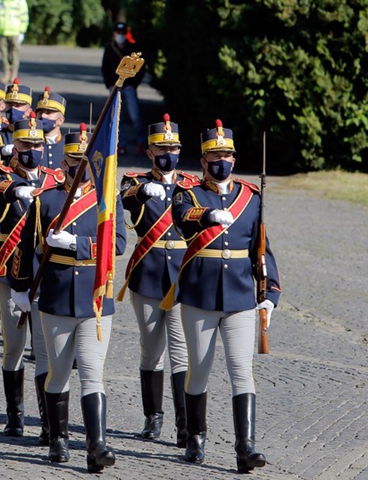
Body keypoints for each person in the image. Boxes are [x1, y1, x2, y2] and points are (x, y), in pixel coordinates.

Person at [164, 119, 281, 473]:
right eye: (215, 155)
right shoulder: (188, 195)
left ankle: (246, 447)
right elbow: (183, 218)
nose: (222, 161)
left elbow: (261, 250)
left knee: (241, 371)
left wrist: (269, 293)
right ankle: (196, 437)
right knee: (198, 371)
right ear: (203, 161)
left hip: (241, 295)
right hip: (200, 293)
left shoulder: (252, 197)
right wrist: (210, 215)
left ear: (234, 157)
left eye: (227, 154)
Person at [10, 132, 126, 472]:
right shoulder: (46, 201)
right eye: (76, 162)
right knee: (58, 372)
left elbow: (116, 244)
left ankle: (96, 444)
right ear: (64, 164)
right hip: (57, 295)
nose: (83, 168)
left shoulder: (108, 199)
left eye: (88, 163)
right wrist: (21, 286)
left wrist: (75, 242)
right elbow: (25, 246)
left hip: (94, 297)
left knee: (92, 372)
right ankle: (58, 438)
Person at [0, 112, 64, 441]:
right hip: (12, 269)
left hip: (44, 272)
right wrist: (17, 190)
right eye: (24, 144)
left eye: (37, 144)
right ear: (14, 147)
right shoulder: (2, 174)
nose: (32, 149)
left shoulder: (53, 179)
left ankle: (47, 421)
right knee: (13, 346)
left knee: (44, 349)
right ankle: (14, 414)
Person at [119, 114, 197, 446]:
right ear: (150, 152)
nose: (168, 153)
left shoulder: (191, 186)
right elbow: (126, 196)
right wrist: (141, 191)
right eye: (162, 148)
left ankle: (184, 423)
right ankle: (154, 417)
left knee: (181, 350)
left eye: (173, 148)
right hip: (148, 273)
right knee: (151, 348)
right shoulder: (134, 180)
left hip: (182, 275)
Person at [101, 22, 146, 156]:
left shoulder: (132, 48)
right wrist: (109, 84)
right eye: (118, 33)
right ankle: (121, 144)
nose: (120, 36)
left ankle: (142, 142)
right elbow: (105, 67)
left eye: (122, 33)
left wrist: (134, 83)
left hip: (129, 87)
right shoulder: (110, 48)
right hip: (115, 87)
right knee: (117, 117)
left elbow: (141, 68)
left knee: (135, 116)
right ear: (114, 34)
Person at [0, 0, 29, 83]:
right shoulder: (1, 2)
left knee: (14, 54)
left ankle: (14, 74)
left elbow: (24, 17)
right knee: (4, 55)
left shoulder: (20, 2)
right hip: (3, 32)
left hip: (15, 32)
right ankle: (6, 74)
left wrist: (22, 31)